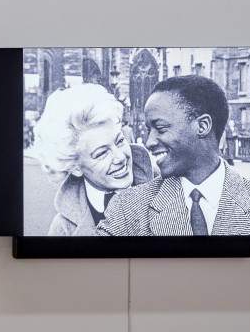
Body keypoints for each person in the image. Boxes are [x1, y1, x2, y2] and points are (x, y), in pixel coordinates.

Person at [96, 75, 250, 236]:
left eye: (161, 129)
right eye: (149, 130)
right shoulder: (127, 207)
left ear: (202, 126)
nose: (149, 142)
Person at [30, 84, 158, 236]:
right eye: (102, 153)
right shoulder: (63, 229)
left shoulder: (170, 186)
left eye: (120, 141)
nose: (120, 157)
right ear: (75, 167)